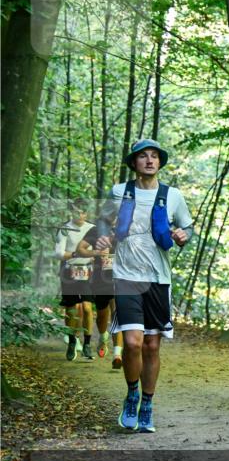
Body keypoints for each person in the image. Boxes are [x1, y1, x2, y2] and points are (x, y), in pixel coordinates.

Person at [95, 139, 193, 433]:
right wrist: (103, 237)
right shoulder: (120, 192)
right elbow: (103, 221)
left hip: (158, 279)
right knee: (133, 342)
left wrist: (182, 235)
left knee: (151, 345)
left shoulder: (172, 195)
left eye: (154, 156)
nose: (149, 161)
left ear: (160, 163)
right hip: (126, 276)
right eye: (143, 156)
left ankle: (147, 404)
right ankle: (132, 394)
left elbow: (187, 226)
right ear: (134, 163)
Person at [75, 221, 124, 369]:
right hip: (100, 280)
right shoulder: (96, 230)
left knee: (117, 313)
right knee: (102, 315)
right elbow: (80, 249)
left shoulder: (128, 228)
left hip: (121, 278)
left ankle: (117, 354)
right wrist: (96, 252)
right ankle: (103, 337)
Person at [54, 201, 94, 361]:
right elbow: (59, 253)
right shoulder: (65, 228)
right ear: (72, 212)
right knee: (72, 308)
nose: (80, 215)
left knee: (87, 308)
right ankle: (72, 341)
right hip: (69, 271)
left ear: (87, 214)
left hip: (88, 272)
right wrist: (77, 255)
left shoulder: (92, 229)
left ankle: (87, 344)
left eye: (83, 212)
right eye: (77, 212)